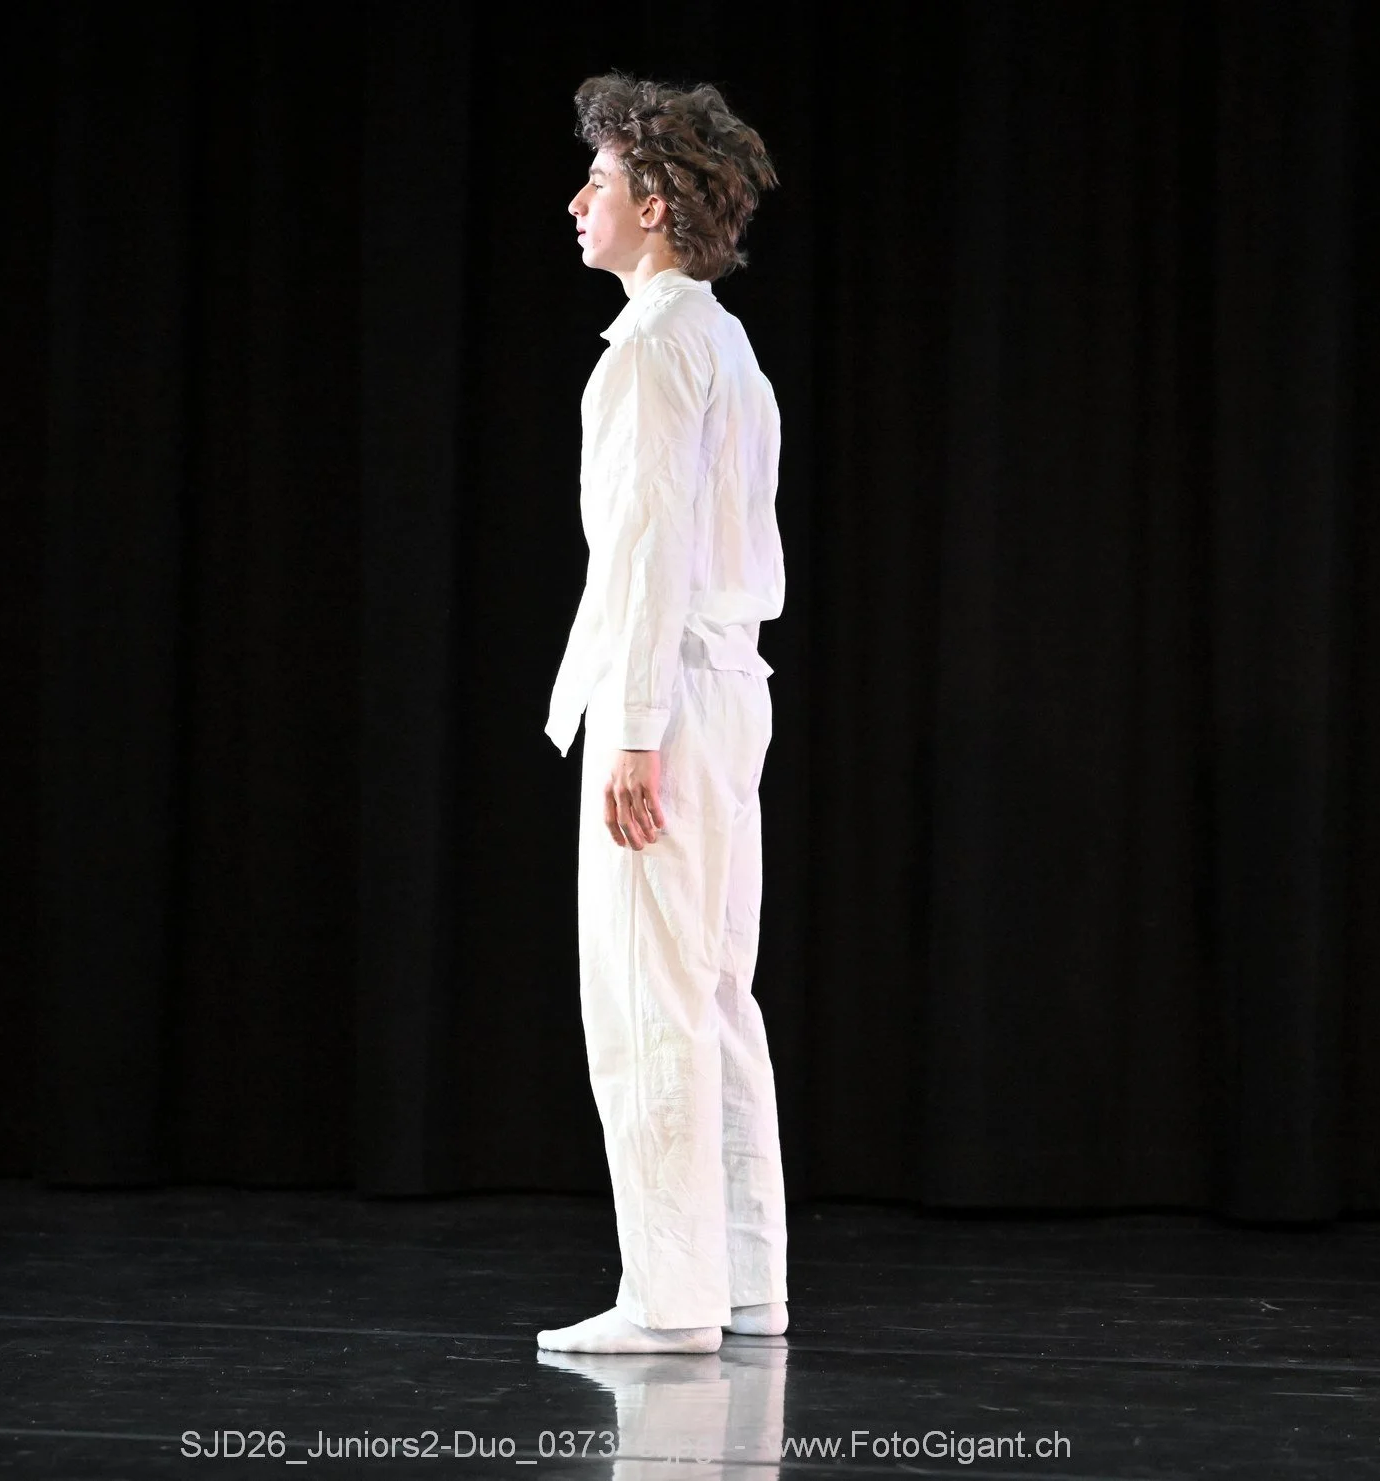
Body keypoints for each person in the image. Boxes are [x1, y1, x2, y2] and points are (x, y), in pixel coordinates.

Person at [537, 72, 789, 1356]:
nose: (575, 200)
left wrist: (630, 727)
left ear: (653, 202)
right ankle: (741, 1282)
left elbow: (647, 548)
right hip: (723, 688)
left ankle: (671, 1297)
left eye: (597, 179)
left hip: (672, 694)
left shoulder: (652, 347)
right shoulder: (720, 341)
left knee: (650, 994)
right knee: (712, 988)